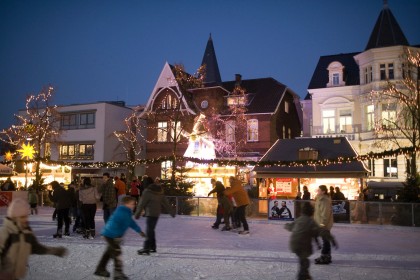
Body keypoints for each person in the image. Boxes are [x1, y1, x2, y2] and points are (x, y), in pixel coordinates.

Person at [0, 198, 67, 279]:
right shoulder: (7, 232)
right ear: (14, 217)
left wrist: (53, 251)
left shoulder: (26, 231)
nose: (25, 219)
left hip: (15, 275)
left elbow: (35, 247)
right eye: (22, 217)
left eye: (26, 216)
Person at [94, 196, 145, 279]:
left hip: (110, 234)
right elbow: (115, 224)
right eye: (132, 204)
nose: (133, 205)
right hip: (111, 235)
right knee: (117, 253)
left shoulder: (126, 211)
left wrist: (139, 231)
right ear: (126, 204)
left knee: (109, 252)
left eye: (134, 204)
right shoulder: (122, 212)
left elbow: (131, 222)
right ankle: (118, 274)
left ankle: (100, 269)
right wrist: (117, 237)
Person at [284, 202, 338, 280]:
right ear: (311, 212)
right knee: (305, 261)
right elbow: (321, 231)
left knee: (303, 259)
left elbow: (290, 227)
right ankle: (302, 276)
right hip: (303, 245)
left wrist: (286, 225)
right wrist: (331, 239)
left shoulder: (299, 219)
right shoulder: (310, 221)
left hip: (294, 244)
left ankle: (304, 275)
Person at [135, 179, 175, 255]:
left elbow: (141, 204)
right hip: (157, 213)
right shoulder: (159, 191)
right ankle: (153, 247)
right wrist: (171, 212)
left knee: (149, 230)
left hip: (150, 213)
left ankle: (146, 248)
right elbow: (166, 203)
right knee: (151, 230)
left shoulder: (147, 192)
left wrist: (137, 214)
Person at [314, 185, 334, 265]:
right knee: (326, 240)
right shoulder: (319, 199)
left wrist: (322, 224)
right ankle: (327, 256)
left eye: (319, 190)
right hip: (320, 223)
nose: (317, 191)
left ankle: (324, 256)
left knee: (325, 241)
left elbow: (325, 213)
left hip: (323, 224)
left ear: (323, 191)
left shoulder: (324, 200)